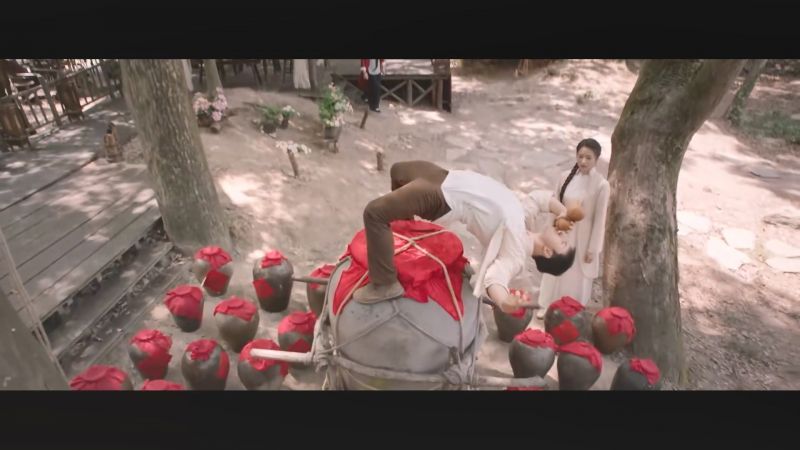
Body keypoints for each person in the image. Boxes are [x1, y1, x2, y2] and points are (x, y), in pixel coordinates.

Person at [353, 160, 577, 313]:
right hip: (447, 178)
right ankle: (406, 227)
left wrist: (504, 301)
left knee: (374, 213)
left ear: (547, 251)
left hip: (444, 198)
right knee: (398, 171)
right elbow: (539, 200)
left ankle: (385, 283)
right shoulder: (525, 220)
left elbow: (495, 278)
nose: (563, 234)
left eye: (563, 243)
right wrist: (563, 212)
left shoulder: (515, 253)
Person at [537, 138, 610, 318]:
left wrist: (593, 248)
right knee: (555, 271)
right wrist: (549, 231)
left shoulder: (601, 185)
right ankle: (547, 306)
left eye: (588, 158)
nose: (583, 161)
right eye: (580, 156)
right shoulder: (565, 177)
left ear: (596, 159)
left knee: (575, 277)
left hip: (582, 239)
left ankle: (570, 312)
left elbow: (600, 219)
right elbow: (554, 204)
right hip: (561, 233)